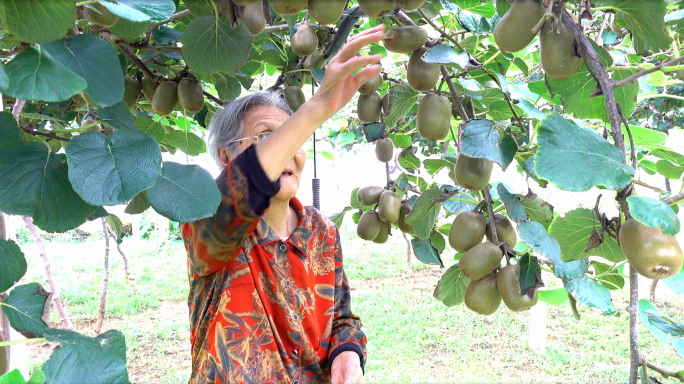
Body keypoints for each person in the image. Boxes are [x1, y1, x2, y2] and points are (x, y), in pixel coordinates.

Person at [181, 25, 386, 384]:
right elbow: (247, 184)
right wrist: (315, 109)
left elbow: (342, 318)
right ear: (227, 156)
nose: (289, 149)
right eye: (266, 137)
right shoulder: (210, 224)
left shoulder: (322, 231)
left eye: (295, 137)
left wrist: (348, 355)